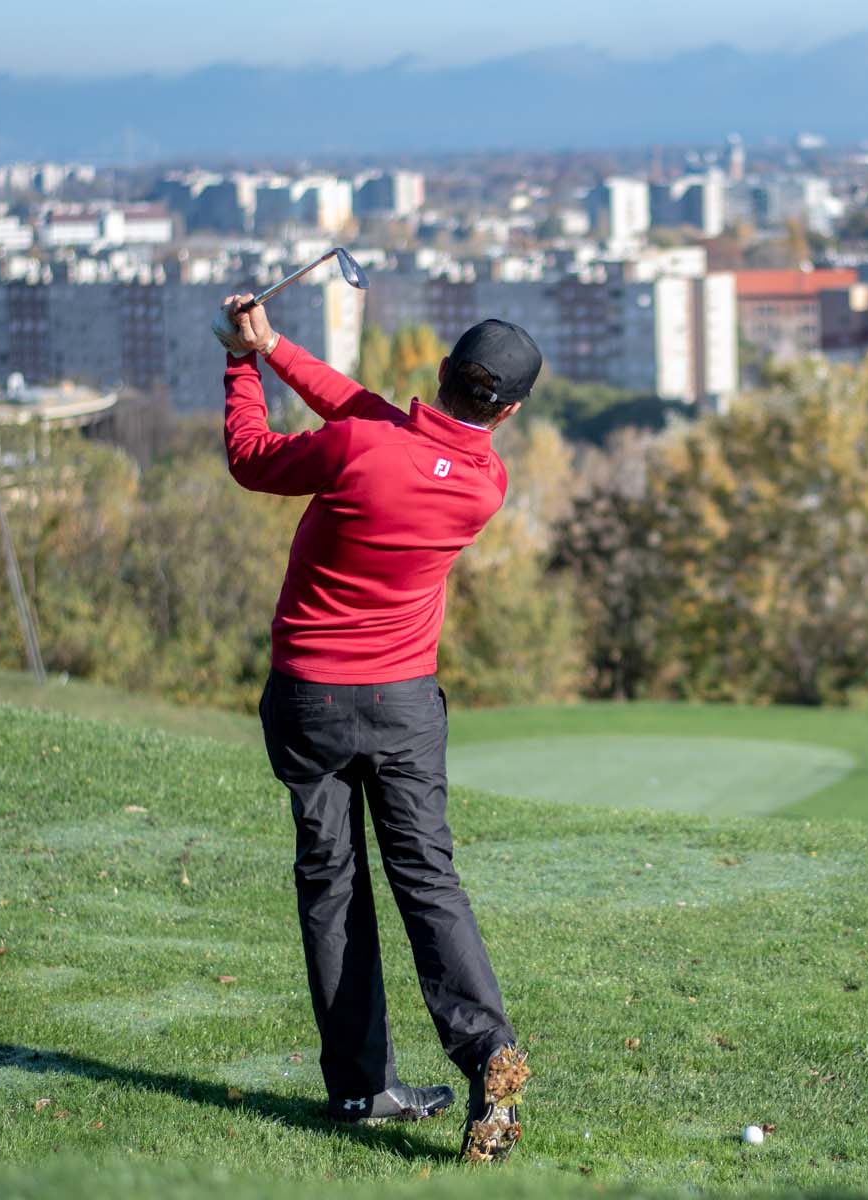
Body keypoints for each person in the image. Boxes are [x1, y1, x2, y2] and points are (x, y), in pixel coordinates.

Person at [216, 294, 536, 1162]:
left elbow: (253, 456)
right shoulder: (484, 486)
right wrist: (278, 346)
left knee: (330, 881)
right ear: (508, 411)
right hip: (402, 705)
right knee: (428, 879)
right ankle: (484, 1052)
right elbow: (372, 421)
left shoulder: (363, 446)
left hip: (311, 699)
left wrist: (243, 364)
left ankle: (361, 1085)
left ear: (438, 376)